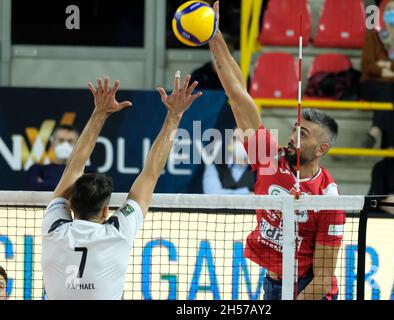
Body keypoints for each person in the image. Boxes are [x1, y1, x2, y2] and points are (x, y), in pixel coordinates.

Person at [208, 1, 345, 300]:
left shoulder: (328, 199)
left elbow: (322, 280)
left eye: (304, 134)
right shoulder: (269, 159)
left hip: (308, 290)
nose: (295, 136)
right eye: (296, 128)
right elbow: (237, 96)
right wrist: (214, 36)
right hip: (272, 284)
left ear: (322, 148)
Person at [41, 74, 202, 300]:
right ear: (106, 210)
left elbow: (73, 168)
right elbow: (150, 175)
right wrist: (174, 115)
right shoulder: (118, 234)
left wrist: (99, 113)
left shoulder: (53, 230)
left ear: (70, 203)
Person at [360, 0, 394, 149]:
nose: (392, 11)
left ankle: (376, 130)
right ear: (383, 16)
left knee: (388, 92)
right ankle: (388, 146)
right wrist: (393, 71)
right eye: (389, 9)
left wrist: (387, 65)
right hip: (372, 84)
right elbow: (367, 65)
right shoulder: (372, 37)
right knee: (387, 91)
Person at [27, 125, 96, 191]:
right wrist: (75, 186)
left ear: (77, 145)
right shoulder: (37, 169)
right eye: (61, 140)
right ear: (53, 143)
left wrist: (45, 184)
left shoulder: (88, 171)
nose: (65, 145)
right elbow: (35, 189)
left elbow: (90, 192)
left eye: (70, 141)